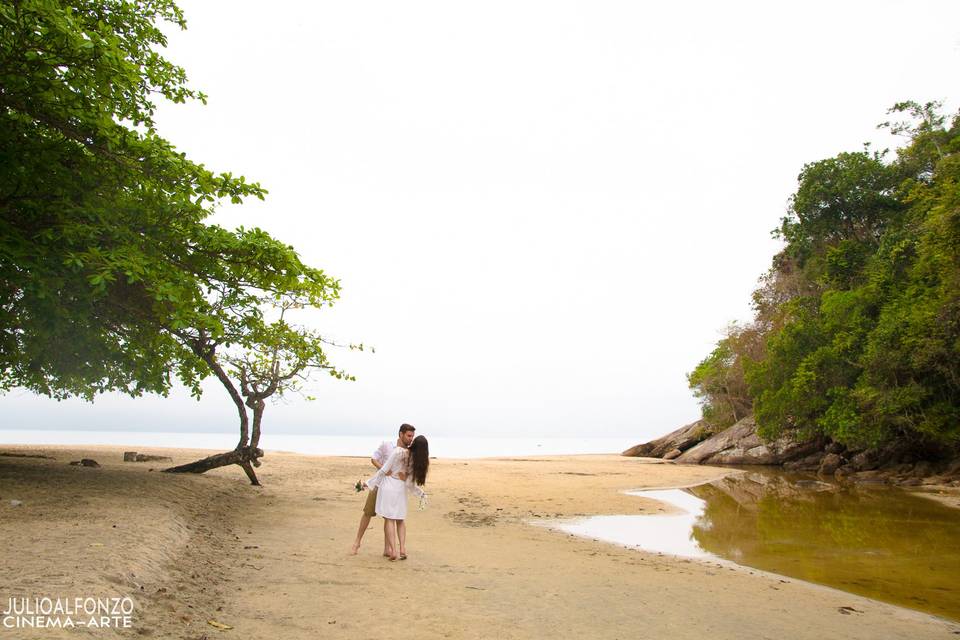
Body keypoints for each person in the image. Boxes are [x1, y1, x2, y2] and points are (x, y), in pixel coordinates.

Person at [349, 424, 416, 555]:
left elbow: (409, 473)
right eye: (409, 436)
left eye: (412, 437)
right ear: (400, 434)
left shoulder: (408, 453)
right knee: (368, 512)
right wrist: (383, 469)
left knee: (389, 517)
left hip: (394, 488)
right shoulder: (387, 445)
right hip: (379, 484)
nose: (411, 439)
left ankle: (388, 549)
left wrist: (405, 476)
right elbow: (374, 459)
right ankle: (357, 543)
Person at [364, 435, 429, 561]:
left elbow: (383, 470)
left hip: (389, 487)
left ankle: (393, 551)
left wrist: (368, 483)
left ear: (413, 443)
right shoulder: (415, 460)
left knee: (389, 519)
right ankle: (403, 549)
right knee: (400, 520)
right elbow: (410, 483)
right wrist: (421, 493)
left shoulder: (399, 451)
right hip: (401, 489)